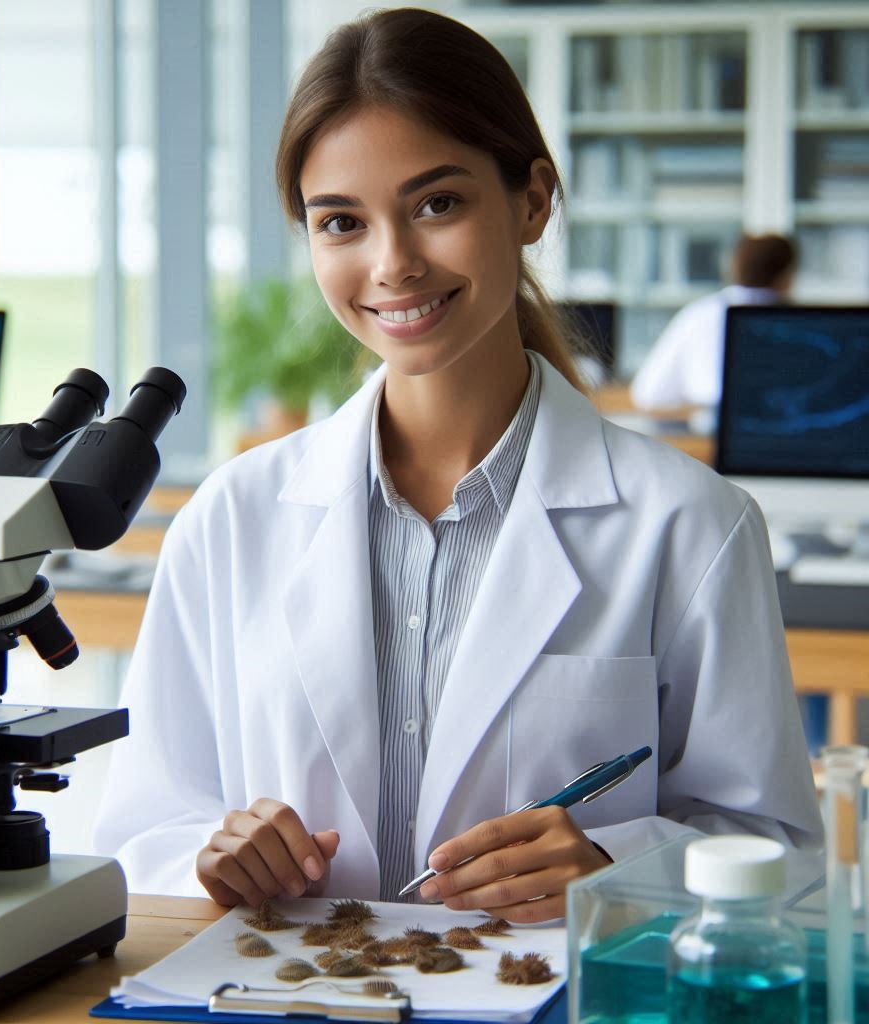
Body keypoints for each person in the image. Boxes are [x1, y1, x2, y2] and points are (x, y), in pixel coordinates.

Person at [93, 9, 822, 923]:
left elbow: (778, 853)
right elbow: (139, 827)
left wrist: (614, 866)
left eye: (437, 204)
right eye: (342, 222)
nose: (392, 263)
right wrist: (208, 856)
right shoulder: (233, 515)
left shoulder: (690, 524)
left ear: (531, 201)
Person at [629, 233, 798, 410]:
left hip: (705, 431)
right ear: (787, 276)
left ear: (732, 267)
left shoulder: (699, 314)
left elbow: (649, 394)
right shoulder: (800, 322)